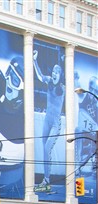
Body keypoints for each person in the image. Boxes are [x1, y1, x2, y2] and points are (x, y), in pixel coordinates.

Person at [0, 55, 25, 198]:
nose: (9, 80)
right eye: (9, 72)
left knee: (4, 198)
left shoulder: (24, 114)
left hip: (11, 170)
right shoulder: (1, 85)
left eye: (15, 80)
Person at [33, 52, 65, 193]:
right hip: (47, 120)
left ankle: (47, 181)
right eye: (53, 71)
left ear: (60, 75)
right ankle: (46, 181)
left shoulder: (61, 88)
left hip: (55, 124)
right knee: (44, 149)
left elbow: (60, 89)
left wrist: (64, 60)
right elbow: (40, 76)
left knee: (47, 149)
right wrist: (34, 61)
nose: (54, 74)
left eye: (57, 72)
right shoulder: (49, 81)